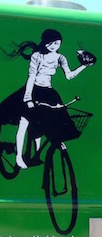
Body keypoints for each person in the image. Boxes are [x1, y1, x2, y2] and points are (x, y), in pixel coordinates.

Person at [0, 29, 94, 169]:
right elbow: (31, 77)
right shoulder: (37, 56)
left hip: (49, 93)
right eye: (50, 43)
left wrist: (83, 66)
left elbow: (69, 76)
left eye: (56, 43)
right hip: (33, 90)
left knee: (42, 123)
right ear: (45, 42)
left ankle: (36, 154)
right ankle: (19, 157)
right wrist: (28, 98)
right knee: (23, 123)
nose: (53, 46)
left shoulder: (61, 58)